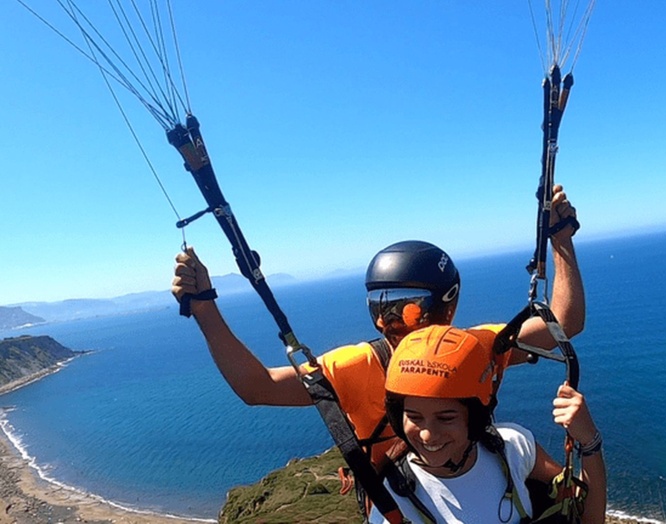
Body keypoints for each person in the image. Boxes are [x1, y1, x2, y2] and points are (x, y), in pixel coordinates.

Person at [171, 185, 584, 489]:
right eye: (379, 309)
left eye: (406, 308)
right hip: (401, 502)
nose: (390, 323)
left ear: (447, 305)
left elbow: (563, 323)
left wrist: (561, 240)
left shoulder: (479, 346)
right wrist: (204, 307)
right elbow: (257, 387)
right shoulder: (363, 365)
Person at [369, 324, 606, 524]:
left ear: (475, 417)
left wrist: (589, 441)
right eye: (414, 417)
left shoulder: (511, 446)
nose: (428, 435)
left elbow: (585, 516)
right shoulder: (391, 502)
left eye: (446, 418)